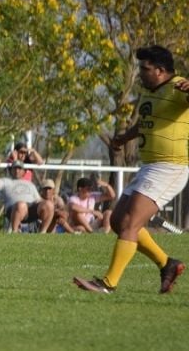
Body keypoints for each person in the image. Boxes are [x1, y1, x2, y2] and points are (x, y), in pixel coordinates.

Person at [74, 45, 187, 294]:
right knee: (117, 220)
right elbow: (147, 124)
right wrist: (124, 137)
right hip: (149, 167)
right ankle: (167, 264)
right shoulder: (150, 93)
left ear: (160, 70)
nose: (140, 74)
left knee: (131, 224)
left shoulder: (178, 86)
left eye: (145, 69)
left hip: (170, 167)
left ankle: (108, 283)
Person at [0, 160, 53, 233]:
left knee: (49, 205)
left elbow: (38, 199)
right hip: (14, 208)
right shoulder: (5, 181)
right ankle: (15, 232)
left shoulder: (30, 184)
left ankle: (43, 232)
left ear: (24, 171)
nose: (17, 171)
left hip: (30, 208)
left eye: (19, 169)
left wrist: (47, 203)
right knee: (21, 205)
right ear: (11, 170)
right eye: (15, 168)